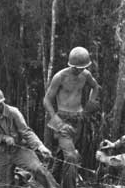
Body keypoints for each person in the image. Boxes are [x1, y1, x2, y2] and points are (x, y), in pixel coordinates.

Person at [44, 46, 100, 187]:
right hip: (62, 119)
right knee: (71, 156)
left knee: (62, 156)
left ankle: (49, 183)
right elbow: (46, 100)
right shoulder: (60, 77)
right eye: (76, 68)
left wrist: (90, 104)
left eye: (82, 68)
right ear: (70, 65)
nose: (79, 71)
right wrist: (56, 121)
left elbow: (95, 87)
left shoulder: (85, 75)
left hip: (79, 118)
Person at [0, 87, 59, 188]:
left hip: (19, 149)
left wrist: (40, 147)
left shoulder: (13, 112)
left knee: (38, 170)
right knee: (3, 184)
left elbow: (26, 132)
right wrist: (4, 138)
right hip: (3, 152)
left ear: (2, 102)